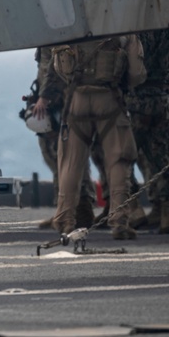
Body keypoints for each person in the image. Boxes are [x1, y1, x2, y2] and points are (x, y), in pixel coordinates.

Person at [51, 35, 146, 239]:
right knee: (119, 161)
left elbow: (60, 67)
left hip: (77, 101)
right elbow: (137, 74)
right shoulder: (123, 32)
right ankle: (120, 222)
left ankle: (65, 222)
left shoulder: (73, 28)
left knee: (70, 163)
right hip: (109, 99)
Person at [127, 24, 169, 234]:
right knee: (163, 159)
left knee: (122, 157)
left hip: (137, 102)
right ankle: (168, 218)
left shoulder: (132, 29)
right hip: (164, 101)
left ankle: (134, 210)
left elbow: (122, 65)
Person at [26, 47, 97, 229]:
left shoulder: (56, 40)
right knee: (63, 159)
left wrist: (44, 97)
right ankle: (71, 211)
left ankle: (76, 212)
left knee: (65, 159)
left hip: (59, 104)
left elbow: (54, 72)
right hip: (58, 102)